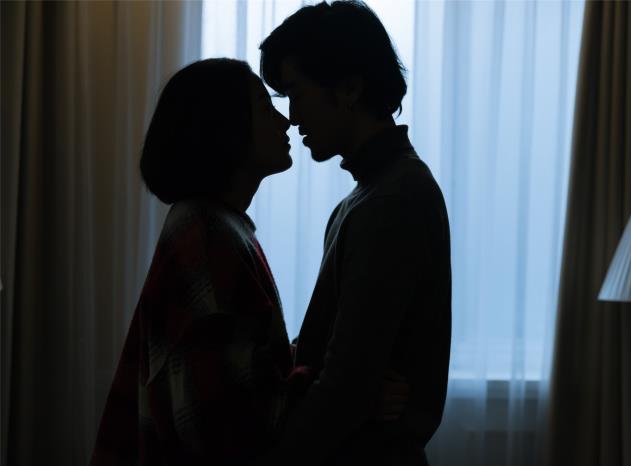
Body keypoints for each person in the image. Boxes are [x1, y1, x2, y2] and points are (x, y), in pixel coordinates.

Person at [257, 1, 452, 465]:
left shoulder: (390, 199)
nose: (292, 117)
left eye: (296, 94)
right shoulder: (371, 195)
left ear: (349, 89)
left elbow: (344, 387)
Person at [89, 58, 298, 466]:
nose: (285, 121)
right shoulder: (207, 234)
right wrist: (330, 384)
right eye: (264, 107)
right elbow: (218, 420)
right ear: (225, 127)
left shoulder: (215, 225)